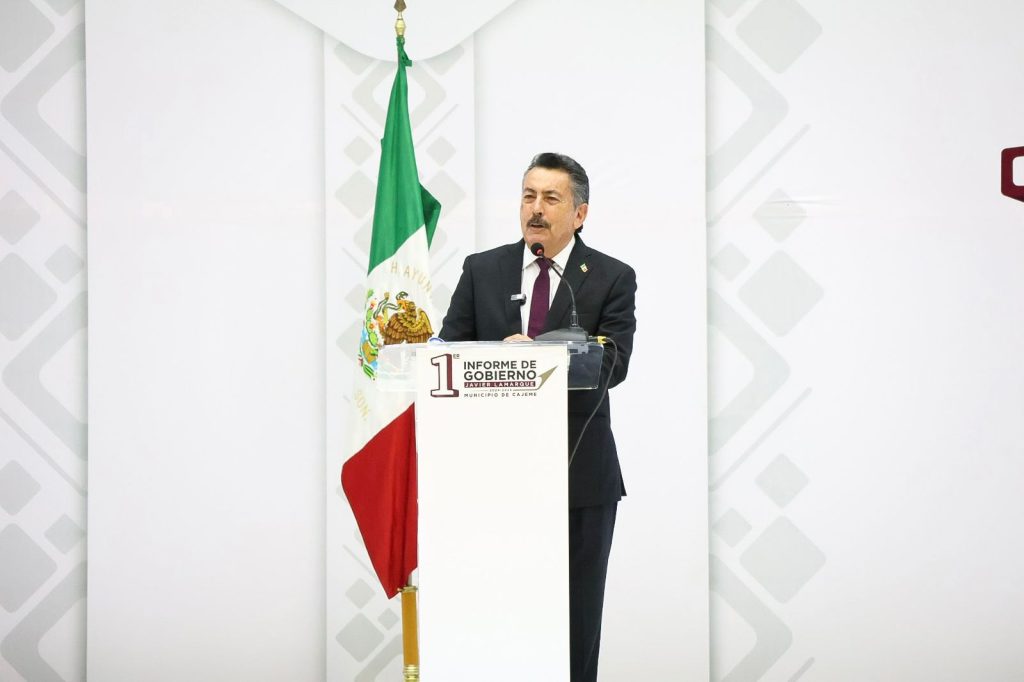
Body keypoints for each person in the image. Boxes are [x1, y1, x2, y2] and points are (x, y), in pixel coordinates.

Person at [439, 152, 637, 682]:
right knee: (498, 618)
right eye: (529, 196)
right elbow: (448, 354)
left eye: (551, 198)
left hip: (580, 477)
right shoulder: (482, 270)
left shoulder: (611, 277)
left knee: (575, 624)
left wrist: (540, 359)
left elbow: (614, 363)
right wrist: (497, 360)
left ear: (580, 213)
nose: (536, 209)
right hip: (494, 477)